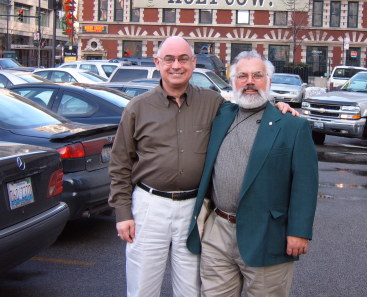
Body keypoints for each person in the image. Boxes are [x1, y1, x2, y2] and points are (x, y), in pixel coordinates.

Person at [108, 36, 298, 297]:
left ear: (193, 63)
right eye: (169, 59)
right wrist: (122, 213)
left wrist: (277, 107)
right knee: (142, 286)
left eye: (183, 59)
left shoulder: (213, 103)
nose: (177, 65)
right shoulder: (138, 108)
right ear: (157, 63)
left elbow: (249, 106)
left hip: (194, 208)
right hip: (150, 205)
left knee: (191, 288)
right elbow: (120, 163)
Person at [186, 50, 319, 297]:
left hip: (267, 233)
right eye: (242, 76)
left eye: (257, 75)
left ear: (268, 81)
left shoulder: (291, 124)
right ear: (233, 81)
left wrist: (299, 232)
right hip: (218, 230)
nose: (249, 82)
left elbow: (305, 183)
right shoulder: (221, 116)